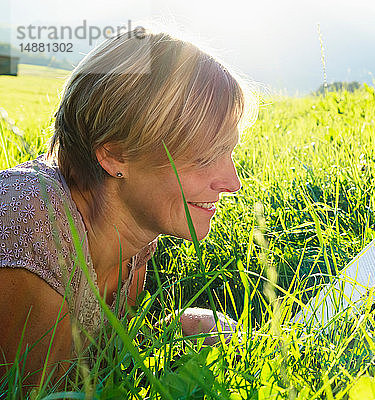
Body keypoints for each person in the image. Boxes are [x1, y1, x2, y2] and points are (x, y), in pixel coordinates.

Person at [0, 26, 255, 387]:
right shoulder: (36, 228)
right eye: (204, 158)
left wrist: (175, 331)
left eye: (229, 153)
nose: (232, 183)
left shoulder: (132, 233)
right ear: (115, 154)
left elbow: (103, 364)